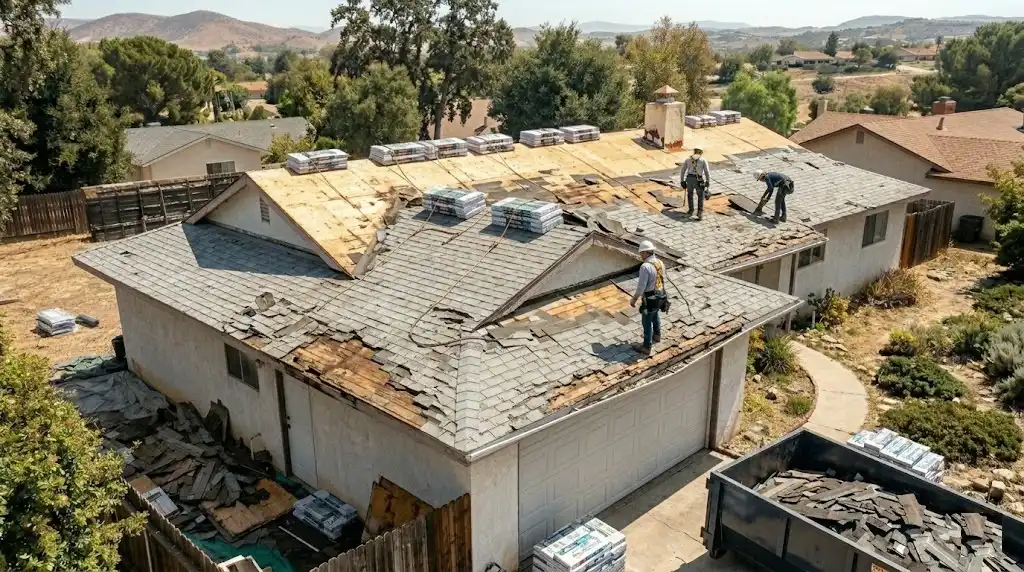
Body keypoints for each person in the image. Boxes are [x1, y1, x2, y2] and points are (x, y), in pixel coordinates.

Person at [630, 240, 667, 354]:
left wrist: (634, 299)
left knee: (646, 321)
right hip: (661, 295)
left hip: (650, 297)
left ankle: (646, 346)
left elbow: (641, 287)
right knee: (655, 314)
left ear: (646, 253)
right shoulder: (660, 262)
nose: (640, 255)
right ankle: (657, 335)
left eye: (641, 253)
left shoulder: (645, 267)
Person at [679, 147, 711, 220]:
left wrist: (682, 180)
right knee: (700, 196)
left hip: (689, 179)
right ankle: (699, 213)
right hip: (698, 180)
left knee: (690, 195)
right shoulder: (703, 160)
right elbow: (707, 172)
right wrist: (708, 181)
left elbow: (683, 170)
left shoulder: (688, 160)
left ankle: (691, 211)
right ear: (701, 152)